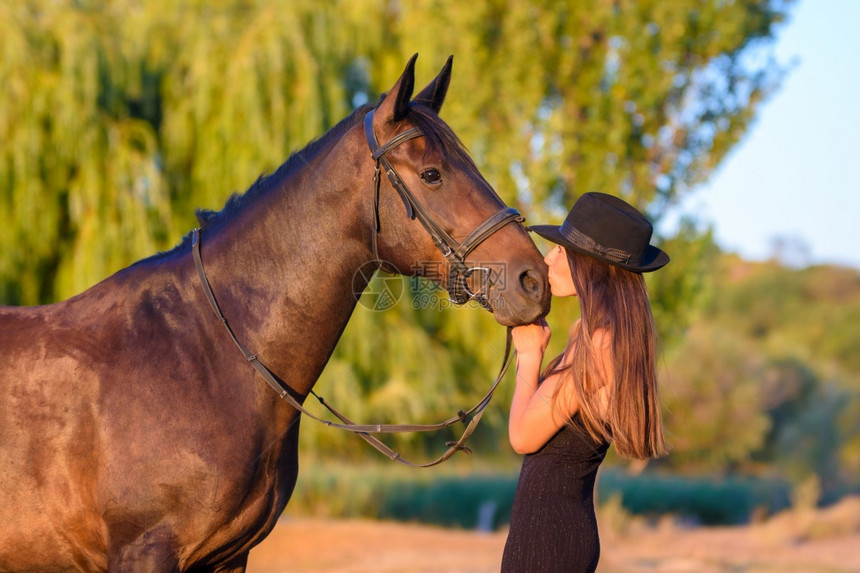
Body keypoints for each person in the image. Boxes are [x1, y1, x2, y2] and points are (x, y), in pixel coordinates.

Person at [501, 192, 670, 573]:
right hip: (548, 532)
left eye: (561, 251)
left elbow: (523, 437)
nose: (548, 259)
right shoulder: (593, 333)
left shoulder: (600, 342)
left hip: (550, 539)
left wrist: (529, 356)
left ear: (590, 264)